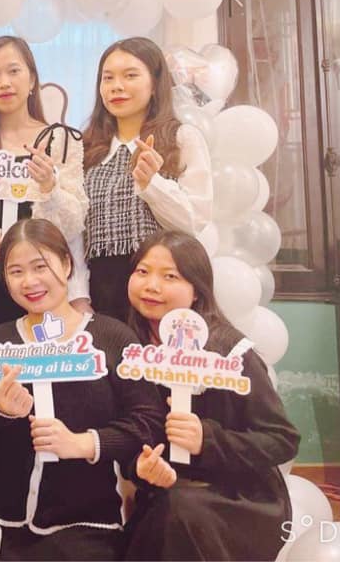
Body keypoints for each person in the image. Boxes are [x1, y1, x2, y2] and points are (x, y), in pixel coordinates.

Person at [0, 218, 164, 561]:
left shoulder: (112, 336)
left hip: (89, 525)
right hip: (2, 524)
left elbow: (148, 421)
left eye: (40, 266)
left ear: (66, 263)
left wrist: (84, 443)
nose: (30, 281)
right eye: (16, 271)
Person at [122, 230, 299, 561]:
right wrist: (140, 468)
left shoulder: (229, 351)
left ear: (196, 291)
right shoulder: (129, 348)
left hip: (238, 497)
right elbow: (128, 434)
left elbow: (282, 440)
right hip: (167, 497)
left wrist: (207, 439)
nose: (152, 286)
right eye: (142, 271)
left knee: (179, 514)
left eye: (170, 276)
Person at [0, 35, 90, 375]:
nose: (3, 82)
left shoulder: (60, 140)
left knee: (42, 379)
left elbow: (74, 222)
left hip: (39, 284)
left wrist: (49, 186)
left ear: (32, 79)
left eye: (13, 71)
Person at [81, 37, 212, 322]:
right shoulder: (86, 148)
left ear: (155, 84)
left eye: (130, 76)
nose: (116, 86)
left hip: (161, 292)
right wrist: (77, 295)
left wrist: (152, 184)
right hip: (99, 292)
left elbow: (193, 223)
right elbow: (75, 234)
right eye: (108, 78)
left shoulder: (181, 138)